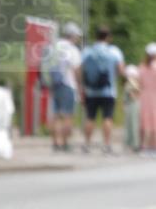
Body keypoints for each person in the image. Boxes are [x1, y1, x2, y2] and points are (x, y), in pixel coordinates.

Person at [79, 26, 125, 154]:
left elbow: (79, 69)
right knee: (107, 117)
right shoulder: (114, 51)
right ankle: (106, 145)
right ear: (108, 37)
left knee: (90, 117)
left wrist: (81, 85)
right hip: (109, 91)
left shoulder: (88, 51)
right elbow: (121, 70)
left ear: (97, 36)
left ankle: (87, 144)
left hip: (91, 90)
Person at [45, 21, 82, 152]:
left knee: (55, 115)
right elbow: (76, 70)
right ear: (72, 35)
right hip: (68, 84)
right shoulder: (72, 49)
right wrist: (80, 87)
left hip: (54, 84)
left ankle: (55, 143)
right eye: (77, 36)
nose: (77, 38)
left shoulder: (53, 47)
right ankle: (65, 143)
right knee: (67, 115)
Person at [138, 42, 156, 156]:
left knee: (143, 122)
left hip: (143, 96)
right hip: (154, 95)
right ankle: (153, 146)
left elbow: (138, 83)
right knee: (154, 122)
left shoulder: (141, 67)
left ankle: (142, 146)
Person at [123, 64, 141, 153]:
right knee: (133, 125)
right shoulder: (132, 83)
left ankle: (131, 144)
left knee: (131, 125)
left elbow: (131, 95)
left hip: (130, 105)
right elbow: (134, 96)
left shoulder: (129, 83)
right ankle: (134, 144)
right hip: (133, 105)